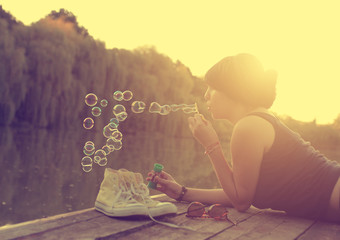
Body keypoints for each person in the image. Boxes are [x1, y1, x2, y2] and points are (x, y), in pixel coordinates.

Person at [146, 53, 340, 222]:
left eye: (212, 88)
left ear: (232, 90)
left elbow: (241, 201)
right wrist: (181, 192)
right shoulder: (256, 120)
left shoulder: (248, 126)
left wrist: (211, 145)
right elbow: (239, 191)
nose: (206, 95)